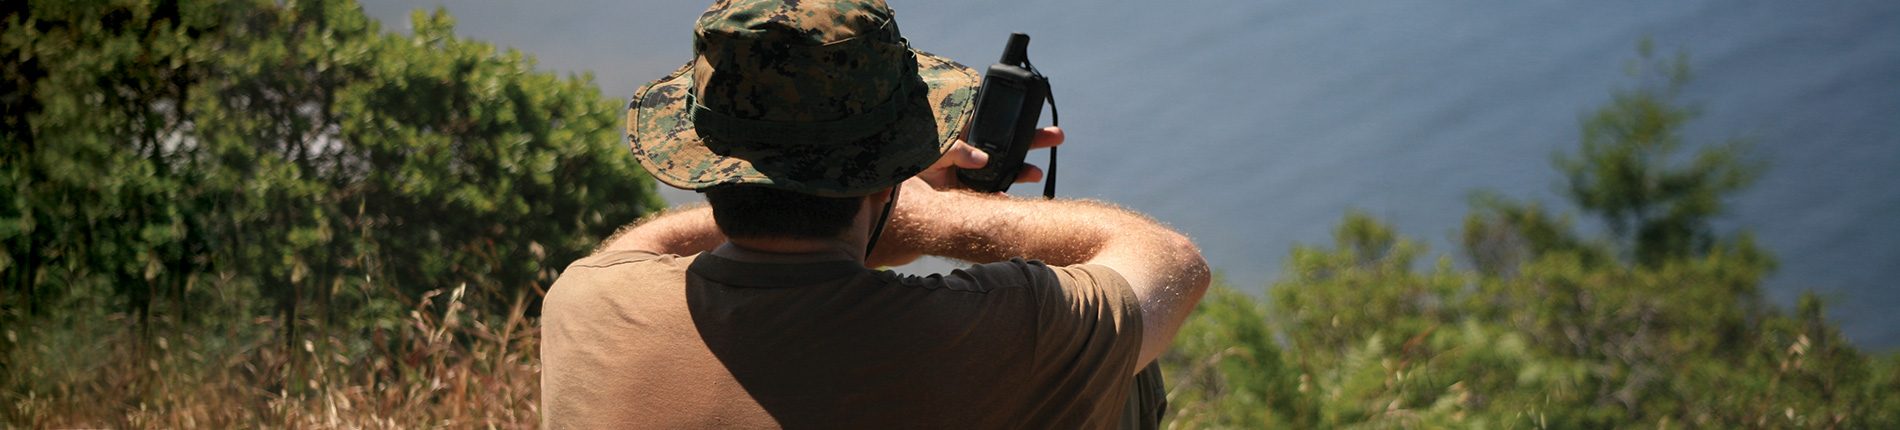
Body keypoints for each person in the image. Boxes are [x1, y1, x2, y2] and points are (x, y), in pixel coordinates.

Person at [538, 0, 1209, 428]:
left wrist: (873, 194)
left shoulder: (585, 304)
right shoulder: (1004, 337)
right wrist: (939, 218)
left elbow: (641, 249)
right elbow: (1172, 264)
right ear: (886, 175)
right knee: (1121, 363)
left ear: (704, 155)